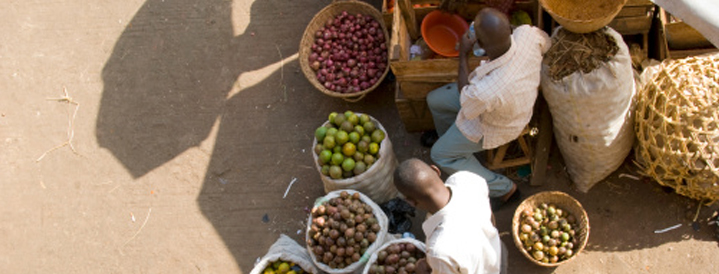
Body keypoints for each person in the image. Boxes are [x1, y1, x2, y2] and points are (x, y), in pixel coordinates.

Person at [421, 8, 550, 209]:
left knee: (439, 155)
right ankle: (451, 142)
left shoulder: (486, 90)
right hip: (502, 101)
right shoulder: (526, 34)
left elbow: (467, 101)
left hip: (499, 125)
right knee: (434, 100)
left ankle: (506, 189)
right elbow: (546, 42)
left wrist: (462, 54)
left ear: (479, 45)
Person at [394, 158, 507, 274]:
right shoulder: (466, 179)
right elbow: (490, 217)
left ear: (411, 202)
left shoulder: (439, 250)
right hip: (496, 252)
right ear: (436, 170)